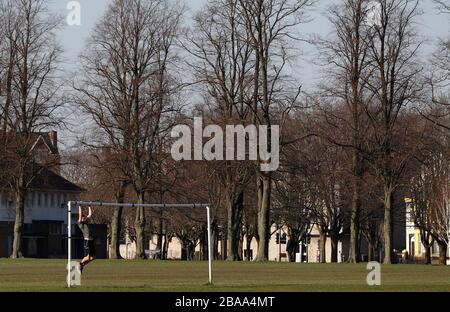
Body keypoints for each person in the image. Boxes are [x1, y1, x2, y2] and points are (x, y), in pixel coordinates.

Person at [78, 206, 96, 273]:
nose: (83, 218)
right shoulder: (80, 224)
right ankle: (80, 264)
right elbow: (80, 214)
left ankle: (82, 265)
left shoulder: (86, 221)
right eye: (82, 217)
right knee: (88, 257)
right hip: (87, 241)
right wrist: (80, 206)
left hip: (91, 241)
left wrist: (89, 206)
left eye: (84, 217)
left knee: (92, 258)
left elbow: (90, 214)